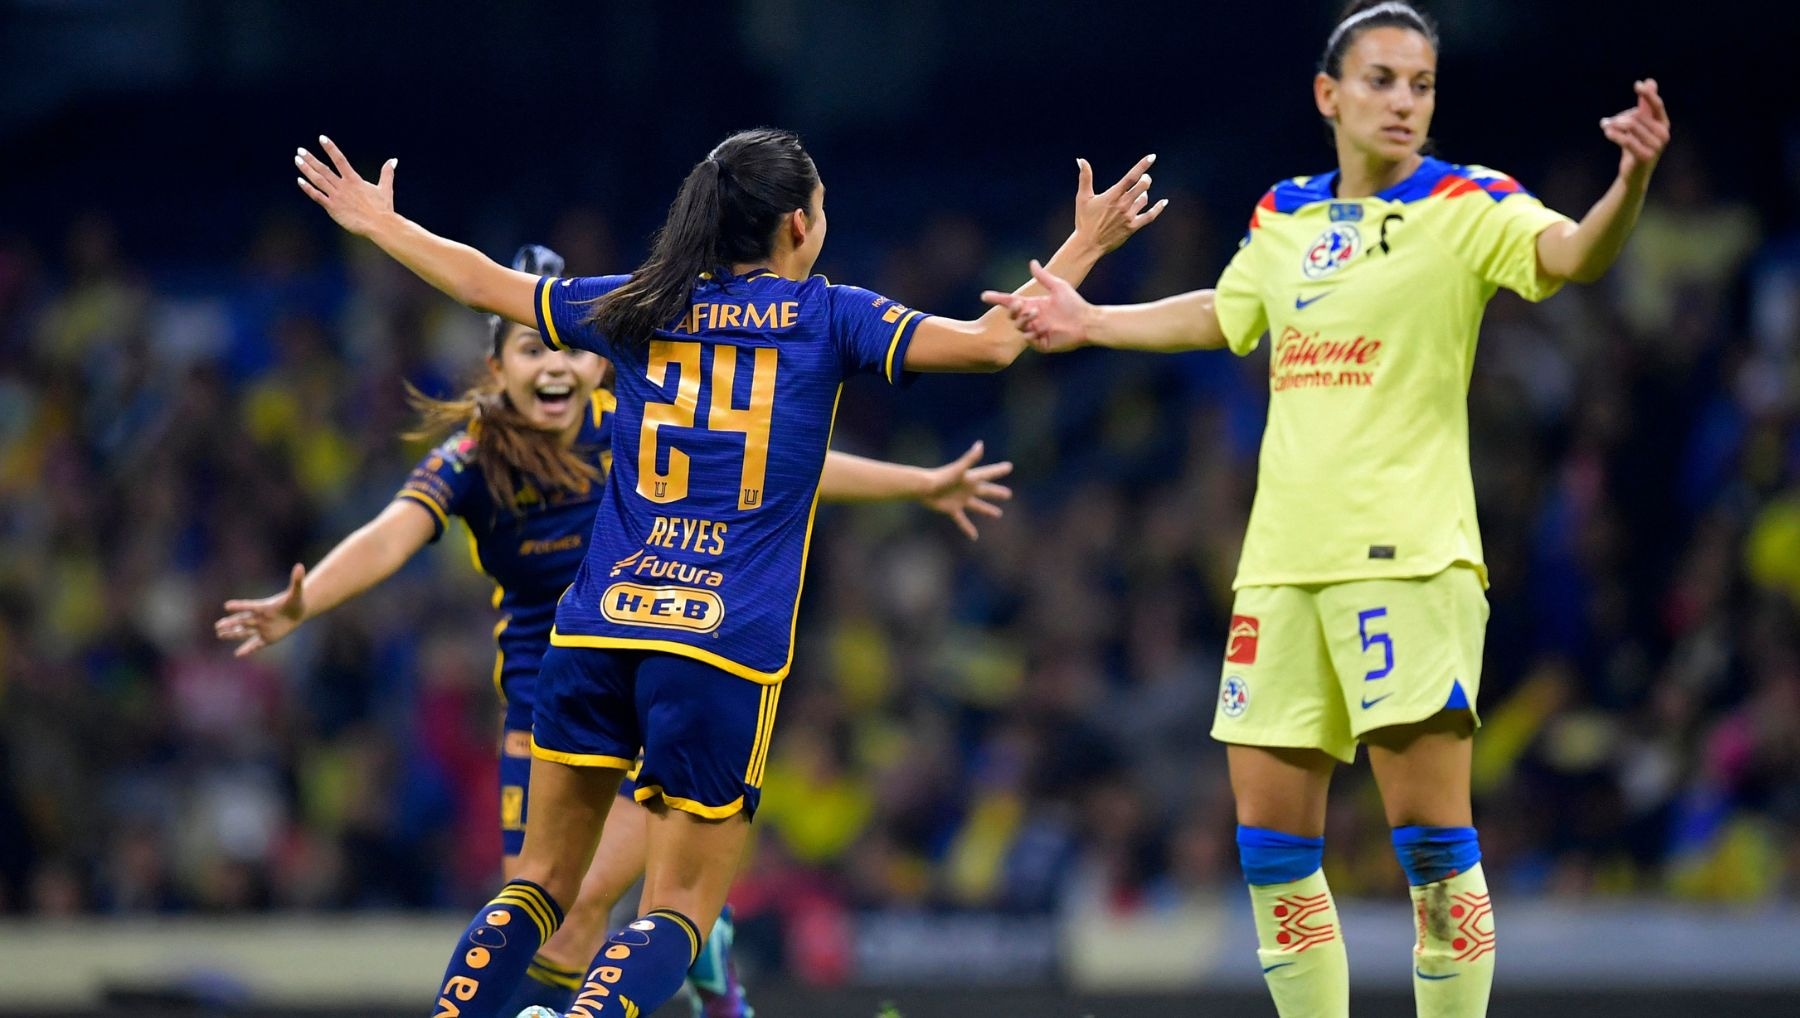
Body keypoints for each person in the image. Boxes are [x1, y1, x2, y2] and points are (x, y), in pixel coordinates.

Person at [293, 125, 1163, 1017]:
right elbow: (992, 343)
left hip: (593, 633)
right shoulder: (832, 315)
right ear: (798, 224)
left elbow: (484, 282)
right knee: (677, 908)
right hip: (717, 648)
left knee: (540, 884)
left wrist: (379, 224)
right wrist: (1085, 244)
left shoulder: (639, 303)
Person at [984, 3, 1670, 1015]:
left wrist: (1632, 181)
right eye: (1381, 80)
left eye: (1420, 84)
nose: (1404, 101)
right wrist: (1091, 320)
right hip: (1280, 566)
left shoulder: (1468, 202)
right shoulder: (1284, 213)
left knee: (1432, 846)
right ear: (1328, 94)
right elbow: (1226, 312)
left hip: (1410, 560)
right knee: (1272, 852)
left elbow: (1573, 256)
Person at [214, 246, 1019, 1018]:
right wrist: (305, 602)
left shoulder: (633, 422)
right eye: (530, 351)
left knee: (586, 899)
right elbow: (392, 534)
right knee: (552, 915)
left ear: (599, 360)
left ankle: (676, 944)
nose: (554, 367)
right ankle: (699, 949)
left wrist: (919, 484)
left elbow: (778, 459)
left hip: (647, 678)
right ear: (497, 368)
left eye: (566, 350)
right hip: (546, 706)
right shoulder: (472, 459)